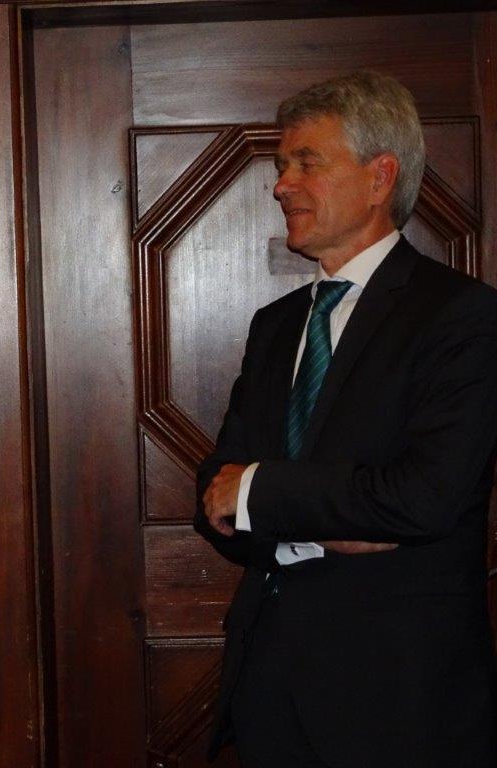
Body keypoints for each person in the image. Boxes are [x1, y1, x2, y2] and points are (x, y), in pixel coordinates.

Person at [196, 72, 497, 767]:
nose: (281, 185)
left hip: (399, 694)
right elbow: (214, 490)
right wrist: (329, 519)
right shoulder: (275, 325)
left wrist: (262, 494)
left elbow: (423, 498)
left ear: (379, 177)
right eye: (282, 166)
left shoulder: (461, 317)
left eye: (307, 162)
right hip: (270, 682)